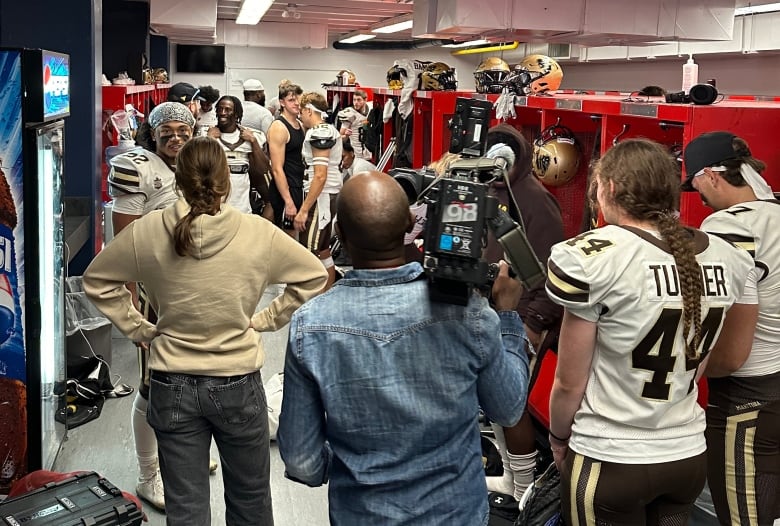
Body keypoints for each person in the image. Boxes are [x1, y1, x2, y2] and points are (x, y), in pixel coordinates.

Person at [84, 136, 328, 526]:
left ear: (176, 180)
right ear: (227, 181)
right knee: (250, 501)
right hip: (237, 382)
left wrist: (138, 328)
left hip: (171, 382)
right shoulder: (257, 232)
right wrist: (265, 320)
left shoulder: (149, 230)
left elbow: (96, 281)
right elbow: (314, 275)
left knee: (186, 506)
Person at [278, 171, 530, 525]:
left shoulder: (311, 326)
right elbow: (508, 409)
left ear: (341, 237)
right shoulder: (468, 312)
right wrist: (506, 317)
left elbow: (302, 462)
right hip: (457, 514)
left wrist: (355, 464)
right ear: (411, 223)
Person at [546, 139, 754, 525]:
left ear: (607, 188)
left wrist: (559, 438)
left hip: (611, 459)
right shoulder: (728, 257)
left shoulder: (594, 258)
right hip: (687, 457)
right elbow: (701, 358)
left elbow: (569, 383)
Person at [682, 131, 779, 526]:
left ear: (711, 176)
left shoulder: (728, 226)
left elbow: (733, 352)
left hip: (749, 394)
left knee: (745, 519)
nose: (697, 194)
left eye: (695, 184)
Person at [107, 101, 198, 511]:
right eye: (168, 131)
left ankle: (176, 456)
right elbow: (123, 245)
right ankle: (149, 473)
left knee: (189, 378)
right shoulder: (136, 166)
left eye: (184, 129)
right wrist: (131, 304)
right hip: (152, 291)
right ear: (152, 133)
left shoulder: (198, 162)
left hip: (192, 287)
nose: (176, 137)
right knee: (153, 383)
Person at [482, 124, 566, 500]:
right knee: (496, 400)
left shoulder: (535, 198)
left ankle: (524, 486)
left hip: (526, 315)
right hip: (493, 311)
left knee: (512, 402)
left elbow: (552, 271)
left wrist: (533, 323)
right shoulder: (487, 190)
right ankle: (512, 475)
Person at [296, 91, 343, 290]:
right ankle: (324, 295)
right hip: (323, 194)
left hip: (321, 197)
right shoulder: (327, 129)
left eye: (301, 111)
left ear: (308, 110)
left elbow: (320, 175)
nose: (299, 115)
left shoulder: (320, 132)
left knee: (310, 252)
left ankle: (314, 298)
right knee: (322, 250)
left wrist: (304, 209)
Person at [208, 95, 273, 220]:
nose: (222, 113)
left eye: (227, 110)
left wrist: (253, 141)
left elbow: (264, 168)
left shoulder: (251, 137)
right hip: (215, 209)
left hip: (242, 208)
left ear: (237, 114)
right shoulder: (208, 136)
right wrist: (209, 140)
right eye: (220, 109)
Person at [267, 83, 304, 238]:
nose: (296, 104)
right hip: (286, 188)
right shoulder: (279, 127)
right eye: (291, 100)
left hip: (297, 186)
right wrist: (288, 201)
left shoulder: (300, 124)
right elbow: (276, 168)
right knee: (286, 239)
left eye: (298, 100)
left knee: (295, 239)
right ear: (282, 102)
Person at [338, 89, 372, 161]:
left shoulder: (371, 109)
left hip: (369, 153)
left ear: (365, 100)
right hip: (356, 155)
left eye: (359, 100)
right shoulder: (350, 114)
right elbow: (340, 138)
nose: (356, 102)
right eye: (354, 100)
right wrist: (346, 135)